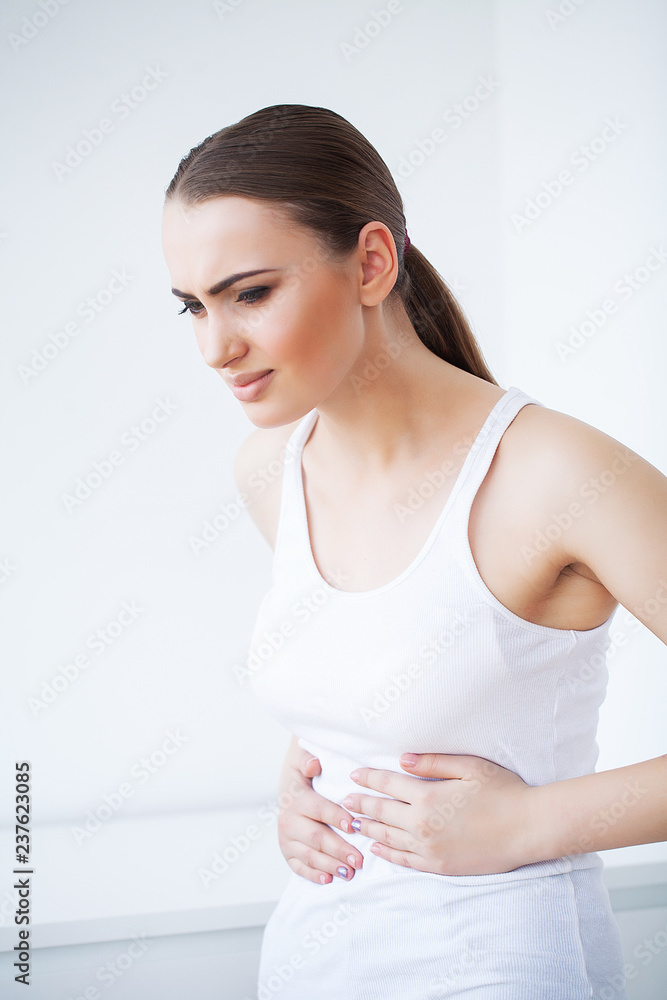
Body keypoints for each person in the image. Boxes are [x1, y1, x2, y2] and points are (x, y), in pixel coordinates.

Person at [161, 103, 666, 999]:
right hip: (309, 962)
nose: (215, 346)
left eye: (250, 293)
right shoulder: (270, 468)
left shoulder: (555, 474)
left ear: (370, 262)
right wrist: (305, 785)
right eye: (192, 306)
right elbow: (379, 674)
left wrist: (527, 824)